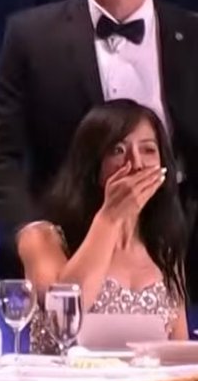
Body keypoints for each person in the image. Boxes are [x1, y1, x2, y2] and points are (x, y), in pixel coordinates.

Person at [0, 0, 198, 297]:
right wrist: (33, 233)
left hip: (176, 262)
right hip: (64, 259)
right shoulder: (32, 36)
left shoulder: (192, 35)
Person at [17, 100, 188, 354]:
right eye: (118, 150)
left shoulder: (164, 249)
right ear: (93, 164)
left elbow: (179, 352)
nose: (137, 164)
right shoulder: (41, 237)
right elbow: (63, 317)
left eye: (148, 150)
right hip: (63, 379)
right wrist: (110, 218)